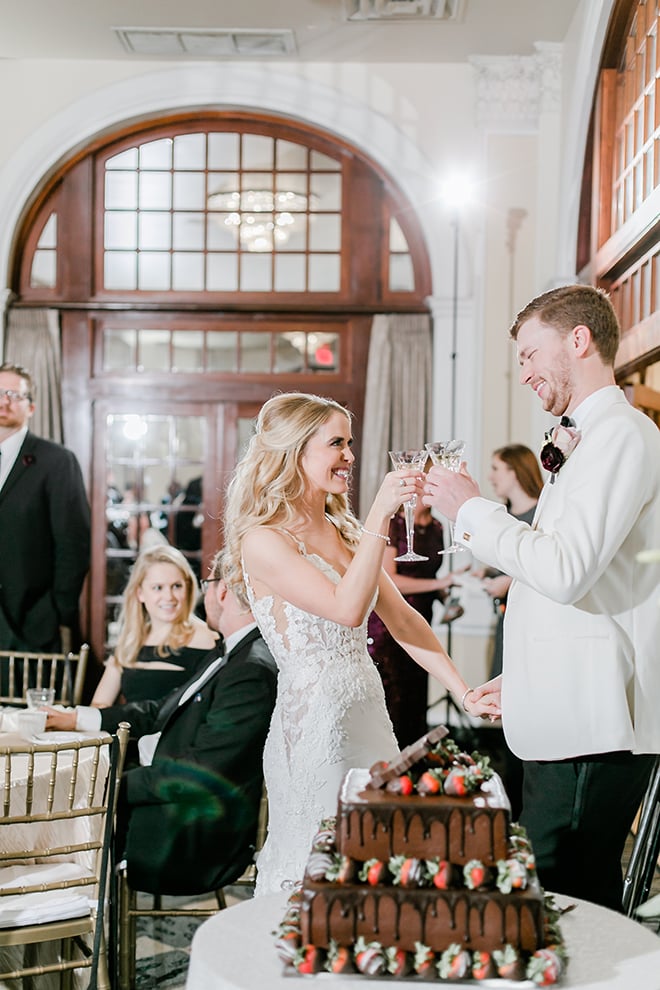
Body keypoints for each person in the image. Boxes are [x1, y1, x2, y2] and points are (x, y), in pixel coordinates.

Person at [423, 284, 660, 911]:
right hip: (570, 707)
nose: (524, 373)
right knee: (567, 901)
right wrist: (524, 676)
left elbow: (563, 570)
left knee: (567, 904)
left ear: (578, 341)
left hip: (593, 722)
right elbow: (576, 588)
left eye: (531, 355)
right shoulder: (590, 437)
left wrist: (471, 510)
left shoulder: (620, 436)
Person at [223, 392, 500, 896]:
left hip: (370, 717)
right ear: (295, 452)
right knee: (323, 870)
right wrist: (378, 514)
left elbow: (404, 621)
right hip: (316, 728)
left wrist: (462, 690)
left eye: (349, 443)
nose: (350, 456)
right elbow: (347, 608)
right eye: (336, 444)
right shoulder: (263, 539)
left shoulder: (343, 531)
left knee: (377, 863)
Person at [45, 551, 278, 895]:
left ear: (224, 593)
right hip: (170, 790)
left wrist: (114, 787)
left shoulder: (249, 671)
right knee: (63, 798)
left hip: (189, 833)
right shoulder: (230, 655)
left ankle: (65, 916)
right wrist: (78, 717)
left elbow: (199, 770)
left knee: (65, 806)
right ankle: (72, 915)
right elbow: (156, 711)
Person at [471, 444, 543, 819]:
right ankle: (509, 797)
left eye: (497, 468)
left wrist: (508, 583)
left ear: (515, 471)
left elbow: (543, 566)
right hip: (503, 622)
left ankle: (524, 800)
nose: (492, 476)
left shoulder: (540, 512)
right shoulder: (504, 516)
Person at [0, 362, 90, 652]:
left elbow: (73, 545)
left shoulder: (57, 461)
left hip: (32, 625)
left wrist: (57, 612)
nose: (4, 402)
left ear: (31, 407)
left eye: (14, 395)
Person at [367, 502, 455, 747]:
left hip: (422, 620)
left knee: (415, 697)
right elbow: (389, 579)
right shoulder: (394, 524)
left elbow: (427, 576)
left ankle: (412, 766)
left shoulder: (437, 527)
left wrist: (446, 597)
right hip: (389, 627)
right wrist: (439, 585)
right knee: (394, 697)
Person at [91, 544, 217, 707]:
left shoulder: (209, 638)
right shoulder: (130, 641)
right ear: (140, 593)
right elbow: (99, 704)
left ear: (188, 588)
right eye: (158, 588)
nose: (169, 596)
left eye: (176, 586)